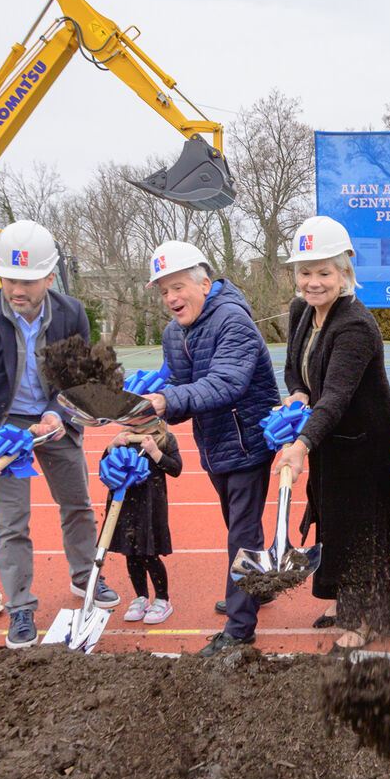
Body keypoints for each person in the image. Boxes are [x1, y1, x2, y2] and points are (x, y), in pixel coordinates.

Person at [0, 221, 103, 649]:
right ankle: (20, 608)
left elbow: (76, 380)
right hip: (4, 429)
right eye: (10, 278)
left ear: (49, 277)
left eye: (29, 280)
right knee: (12, 522)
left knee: (78, 505)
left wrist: (55, 416)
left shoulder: (70, 313)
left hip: (55, 421)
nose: (18, 288)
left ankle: (85, 576)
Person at [138, 240, 281, 656]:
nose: (171, 298)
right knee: (239, 528)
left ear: (204, 282)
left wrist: (168, 401)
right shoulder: (172, 333)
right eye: (164, 291)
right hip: (214, 445)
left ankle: (240, 628)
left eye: (178, 287)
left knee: (242, 532)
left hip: (247, 441)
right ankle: (255, 589)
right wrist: (147, 404)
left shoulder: (233, 320)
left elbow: (225, 383)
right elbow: (182, 394)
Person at [273, 215, 390, 650]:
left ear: (345, 271)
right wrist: (296, 392)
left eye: (324, 272)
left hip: (366, 442)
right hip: (332, 436)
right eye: (305, 272)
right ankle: (342, 601)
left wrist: (301, 444)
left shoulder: (356, 325)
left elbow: (334, 396)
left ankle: (364, 620)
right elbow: (296, 368)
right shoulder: (300, 311)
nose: (313, 282)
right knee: (332, 520)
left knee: (361, 531)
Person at [103, 427, 183, 625]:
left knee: (149, 554)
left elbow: (176, 469)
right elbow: (105, 466)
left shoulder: (166, 438)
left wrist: (155, 452)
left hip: (150, 506)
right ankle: (141, 597)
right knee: (130, 554)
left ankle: (163, 599)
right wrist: (111, 446)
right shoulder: (123, 438)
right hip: (124, 504)